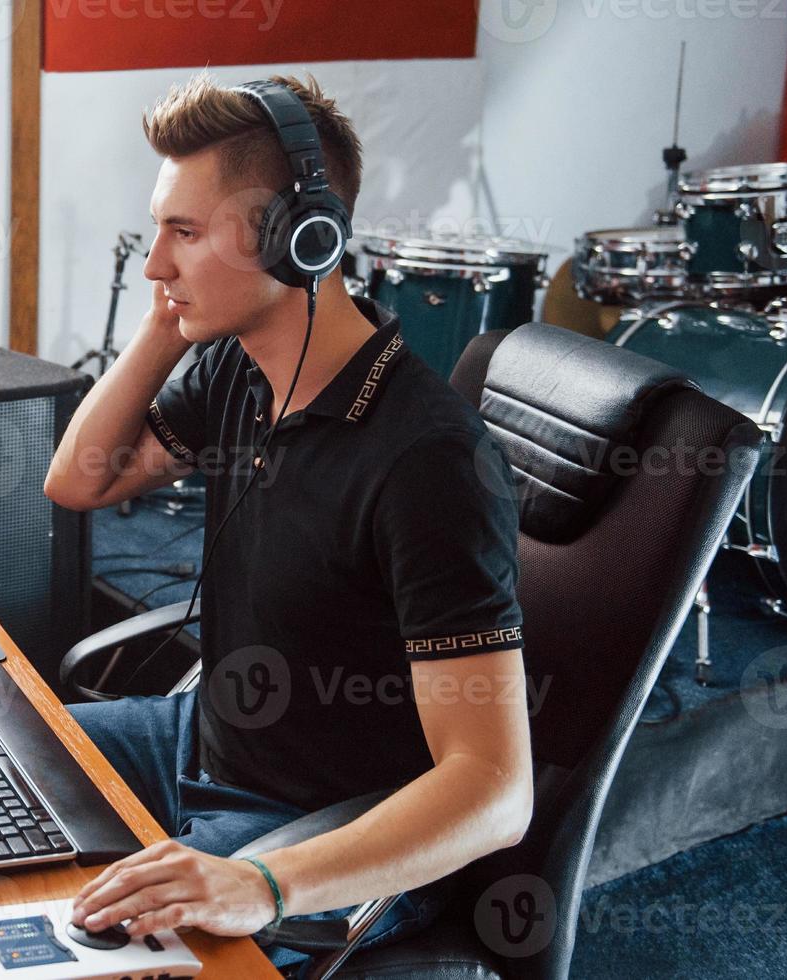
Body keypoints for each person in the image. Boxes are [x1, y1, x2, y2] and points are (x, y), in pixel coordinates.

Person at [44, 73, 534, 963]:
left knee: (103, 957)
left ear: (298, 243)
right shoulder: (237, 369)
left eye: (184, 234)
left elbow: (496, 790)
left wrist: (264, 883)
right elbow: (80, 481)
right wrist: (166, 328)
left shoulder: (429, 464)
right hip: (199, 742)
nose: (156, 264)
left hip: (317, 827)